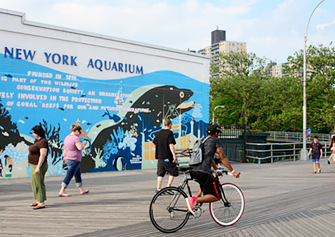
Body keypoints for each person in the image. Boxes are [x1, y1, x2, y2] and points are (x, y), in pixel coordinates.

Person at [185, 124, 239, 215]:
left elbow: (209, 158)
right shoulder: (215, 140)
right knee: (216, 196)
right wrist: (233, 172)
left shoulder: (202, 140)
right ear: (215, 133)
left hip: (193, 171)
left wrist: (216, 169)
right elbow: (223, 157)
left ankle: (193, 205)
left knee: (204, 184)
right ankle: (194, 200)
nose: (218, 135)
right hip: (203, 172)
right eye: (218, 133)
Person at [59, 125, 89, 197]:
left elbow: (65, 149)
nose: (80, 134)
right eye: (79, 132)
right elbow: (80, 148)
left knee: (77, 174)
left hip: (68, 158)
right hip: (74, 159)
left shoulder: (66, 138)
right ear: (76, 131)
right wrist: (84, 144)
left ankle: (82, 189)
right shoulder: (76, 138)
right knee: (69, 175)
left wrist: (64, 158)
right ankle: (62, 190)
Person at [153, 119, 178, 194]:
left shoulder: (158, 133)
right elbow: (171, 144)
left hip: (160, 157)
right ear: (170, 124)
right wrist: (174, 155)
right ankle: (168, 187)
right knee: (173, 171)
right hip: (167, 156)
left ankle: (158, 189)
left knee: (160, 173)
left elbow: (154, 143)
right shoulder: (169, 133)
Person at [28, 125, 49, 209]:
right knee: (34, 182)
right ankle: (38, 200)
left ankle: (41, 202)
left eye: (34, 132)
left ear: (38, 133)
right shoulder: (37, 141)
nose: (33, 134)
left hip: (39, 165)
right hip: (34, 165)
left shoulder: (43, 142)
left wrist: (38, 167)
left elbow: (43, 155)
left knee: (39, 183)